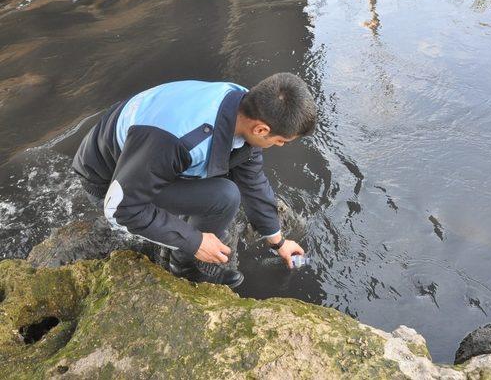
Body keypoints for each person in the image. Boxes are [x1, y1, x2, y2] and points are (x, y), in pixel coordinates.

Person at [72, 73, 317, 288]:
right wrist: (196, 241)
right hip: (108, 177)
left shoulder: (244, 103)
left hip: (145, 156)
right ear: (261, 130)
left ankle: (179, 251)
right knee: (225, 197)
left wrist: (278, 242)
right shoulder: (181, 139)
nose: (280, 146)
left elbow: (252, 180)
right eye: (281, 141)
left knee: (229, 189)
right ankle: (184, 267)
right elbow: (120, 209)